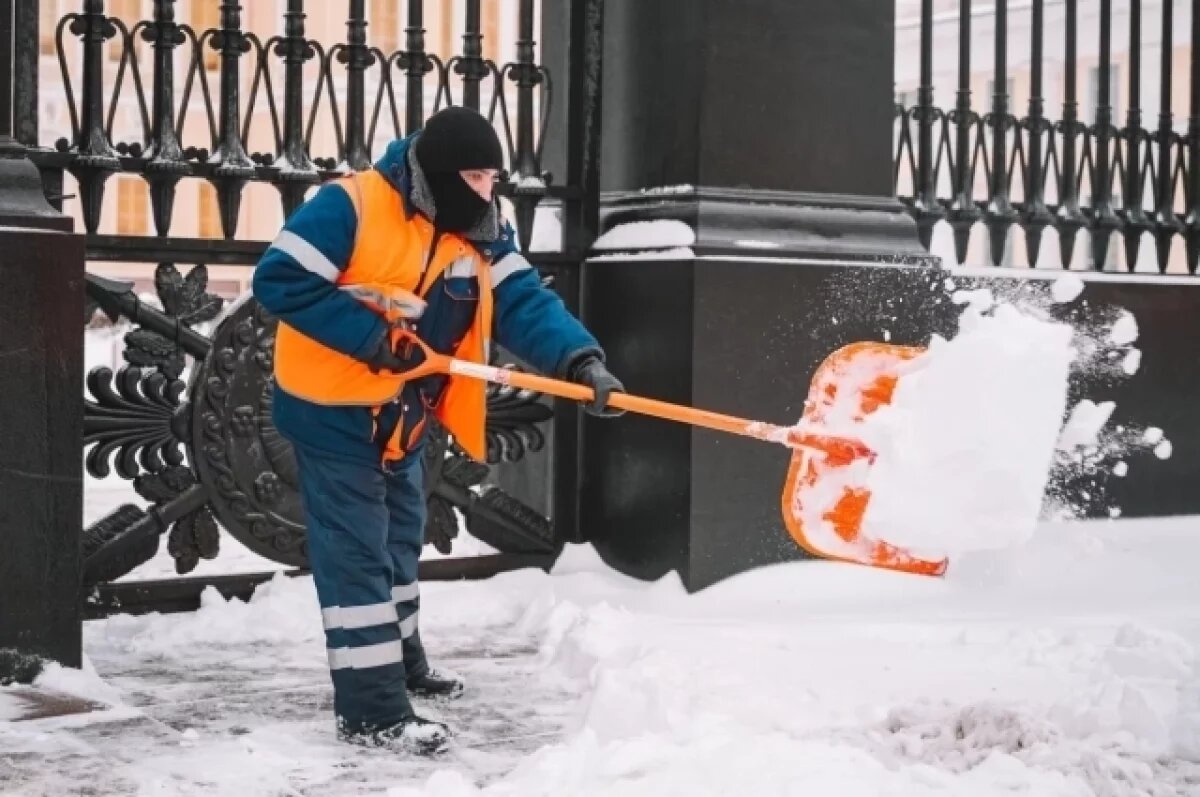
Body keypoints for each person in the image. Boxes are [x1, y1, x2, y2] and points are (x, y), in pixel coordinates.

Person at [251, 107, 624, 754]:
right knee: (357, 553)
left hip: (404, 411)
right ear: (441, 172)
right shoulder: (351, 205)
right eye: (476, 175)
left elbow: (522, 300)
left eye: (493, 177)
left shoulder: (482, 226)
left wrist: (580, 360)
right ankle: (370, 711)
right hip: (331, 409)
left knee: (399, 539)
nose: (487, 189)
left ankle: (400, 661)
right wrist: (372, 338)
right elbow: (279, 280)